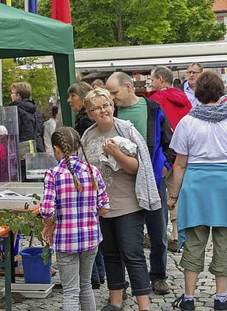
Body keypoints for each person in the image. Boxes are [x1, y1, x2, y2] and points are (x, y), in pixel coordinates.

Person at [168, 71, 227, 311]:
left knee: (195, 241)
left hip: (197, 186)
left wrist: (174, 195)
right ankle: (221, 297)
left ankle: (188, 298)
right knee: (223, 241)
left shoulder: (187, 122)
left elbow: (180, 164)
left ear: (197, 93)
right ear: (221, 92)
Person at [81, 88, 160, 311]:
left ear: (112, 106)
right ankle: (115, 302)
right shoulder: (88, 135)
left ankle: (144, 305)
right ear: (89, 113)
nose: (102, 110)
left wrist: (116, 153)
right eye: (96, 108)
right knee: (110, 254)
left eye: (105, 105)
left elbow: (137, 168)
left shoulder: (125, 130)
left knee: (132, 252)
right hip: (102, 207)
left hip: (128, 204)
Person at [106, 71, 175, 295]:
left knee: (158, 233)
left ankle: (158, 276)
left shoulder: (153, 108)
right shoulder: (111, 112)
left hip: (154, 181)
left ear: (128, 87)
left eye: (114, 92)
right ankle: (123, 282)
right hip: (122, 186)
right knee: (124, 238)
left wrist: (164, 171)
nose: (111, 97)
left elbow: (169, 144)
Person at [39, 126, 109, 311]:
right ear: (78, 146)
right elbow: (104, 208)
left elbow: (46, 210)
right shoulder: (93, 171)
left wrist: (48, 226)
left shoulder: (53, 174)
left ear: (56, 149)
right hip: (90, 239)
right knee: (86, 286)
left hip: (65, 240)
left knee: (70, 290)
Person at [147, 66, 193, 253]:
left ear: (160, 79)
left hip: (163, 153)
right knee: (177, 191)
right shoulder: (185, 99)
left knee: (158, 191)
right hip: (184, 150)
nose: (151, 83)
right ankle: (176, 233)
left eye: (152, 79)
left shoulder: (155, 99)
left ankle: (157, 233)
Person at [67, 81, 105, 288]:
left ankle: (94, 275)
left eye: (72, 96)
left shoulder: (84, 123)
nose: (69, 100)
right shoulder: (82, 119)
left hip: (85, 179)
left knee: (89, 227)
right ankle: (98, 274)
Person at [9, 81, 45, 152]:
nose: (11, 95)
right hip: (36, 149)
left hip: (20, 150)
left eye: (12, 93)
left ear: (18, 95)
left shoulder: (15, 110)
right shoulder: (36, 111)